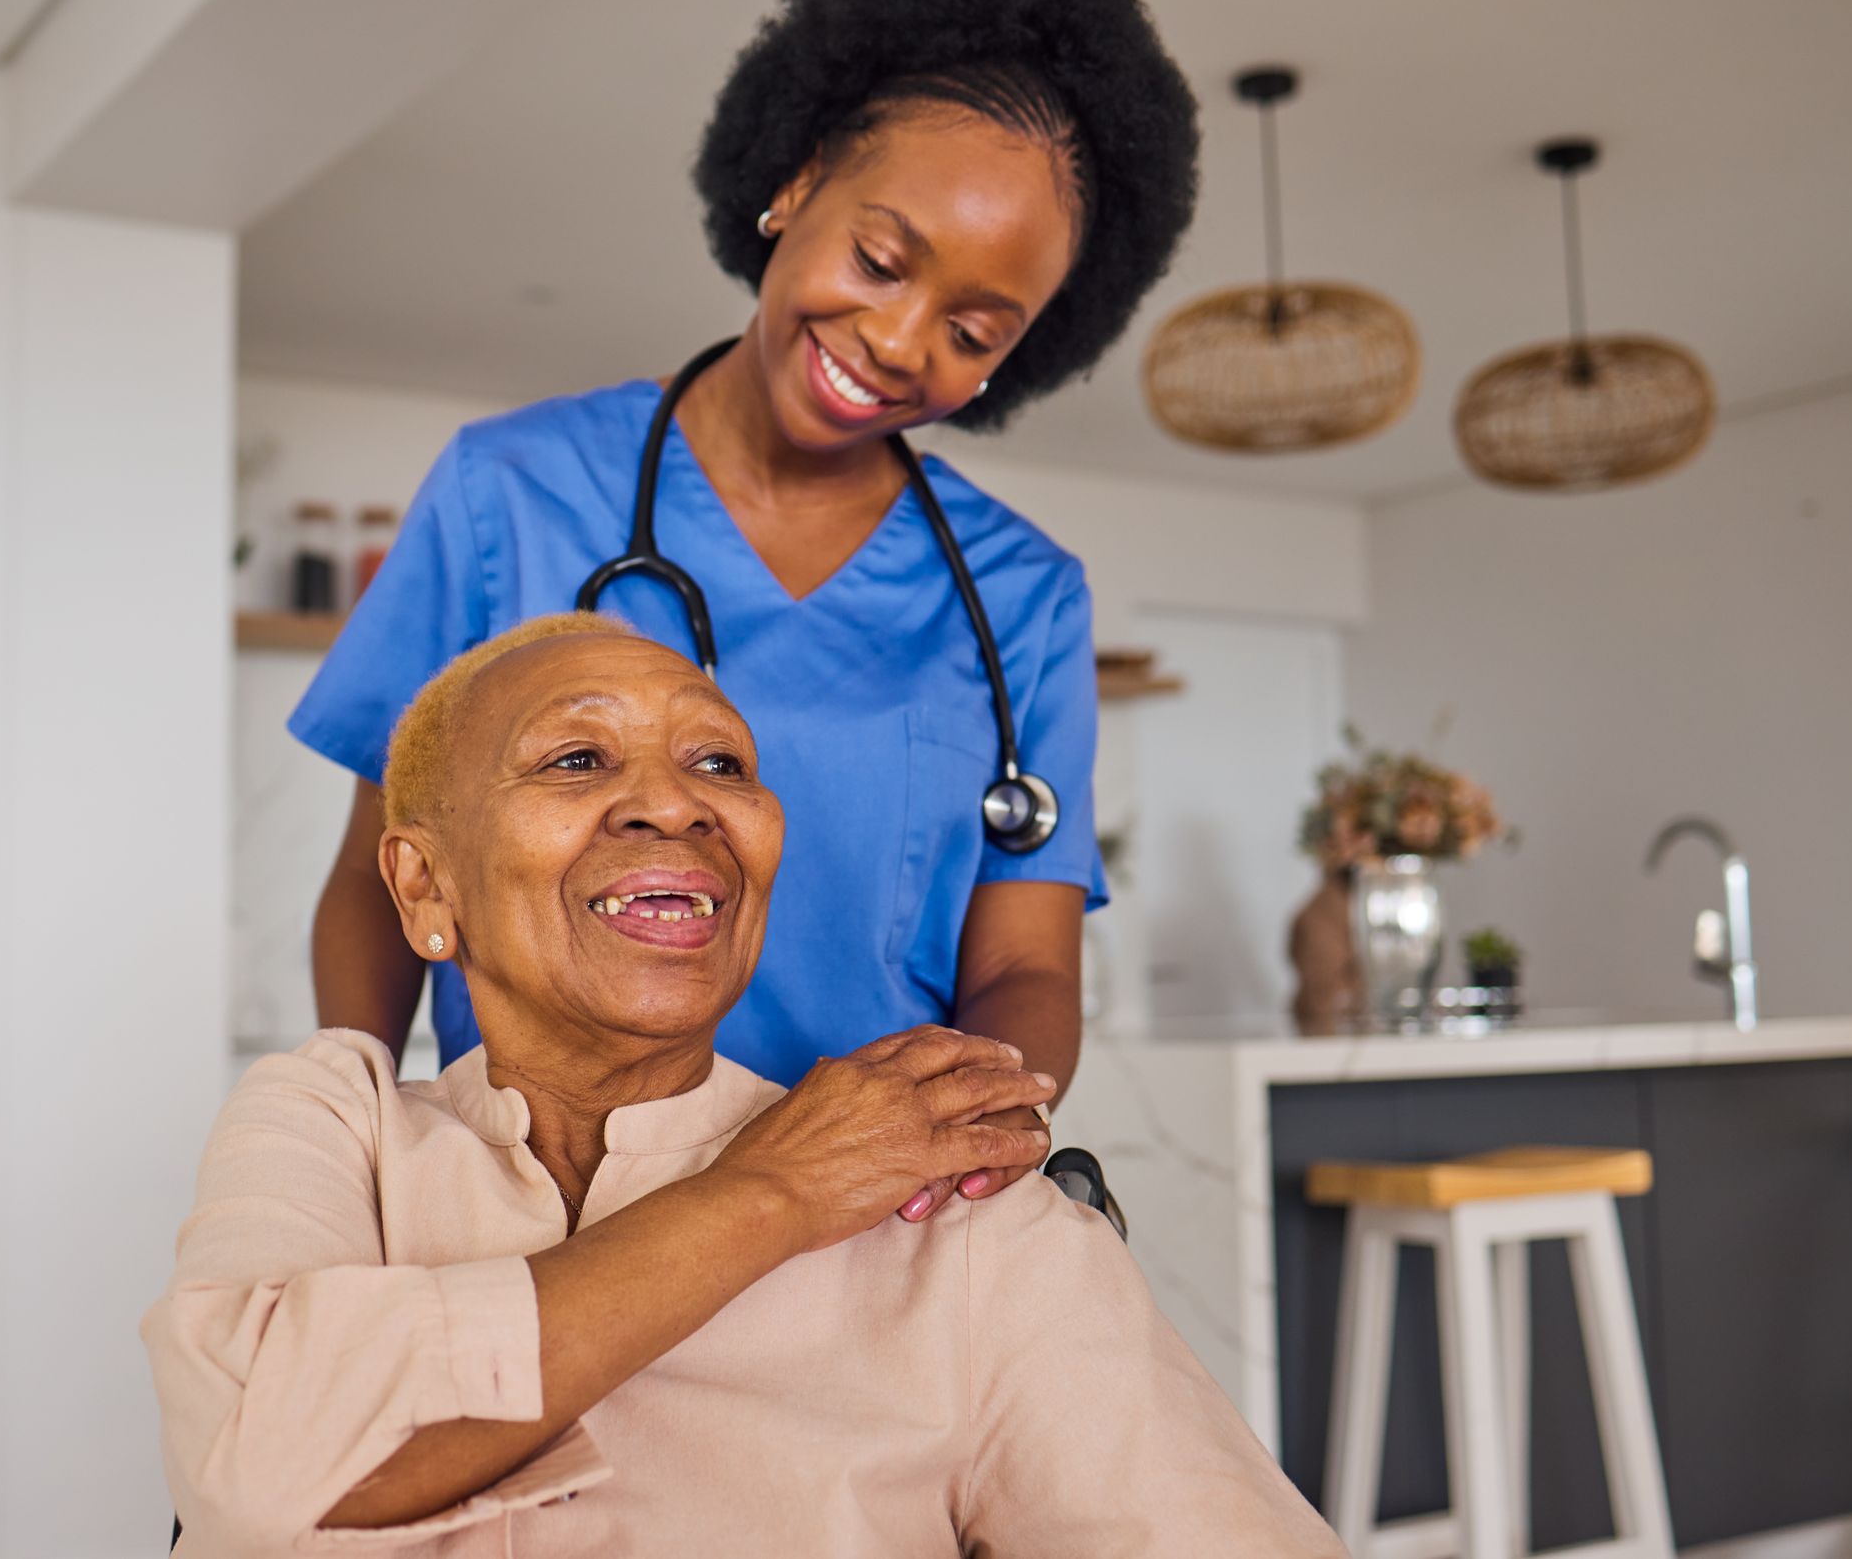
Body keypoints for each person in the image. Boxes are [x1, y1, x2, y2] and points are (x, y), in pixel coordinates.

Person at [291, 0, 1199, 1218]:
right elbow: (375, 879)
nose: (896, 342)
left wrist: (980, 1111)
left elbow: (1030, 969)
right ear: (797, 181)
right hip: (543, 1213)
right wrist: (359, 1150)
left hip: (875, 1214)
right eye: (882, 262)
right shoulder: (510, 491)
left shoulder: (1025, 595)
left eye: (972, 331)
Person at [145, 615, 1342, 1557]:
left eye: (719, 761)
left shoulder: (953, 1220)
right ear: (424, 893)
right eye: (576, 757)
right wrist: (770, 1195)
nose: (678, 803)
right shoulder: (332, 1125)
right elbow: (267, 1477)